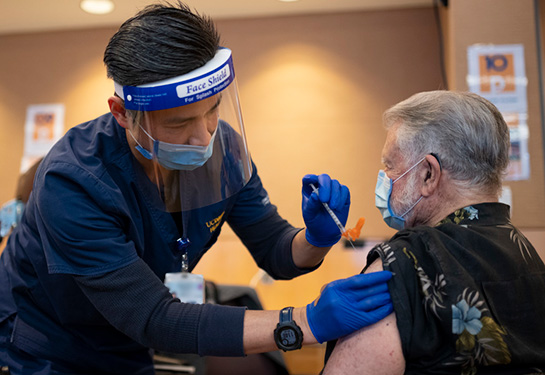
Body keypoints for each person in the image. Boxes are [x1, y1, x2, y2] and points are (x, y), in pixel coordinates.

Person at [0, 2, 393, 374]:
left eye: (213, 110)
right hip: (43, 345)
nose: (203, 137)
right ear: (122, 113)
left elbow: (275, 251)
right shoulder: (73, 183)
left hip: (126, 343)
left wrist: (314, 239)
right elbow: (154, 316)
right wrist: (302, 322)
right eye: (178, 124)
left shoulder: (222, 151)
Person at [322, 90, 545, 374]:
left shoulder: (405, 263)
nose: (384, 179)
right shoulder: (529, 258)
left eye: (390, 165)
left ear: (428, 173)